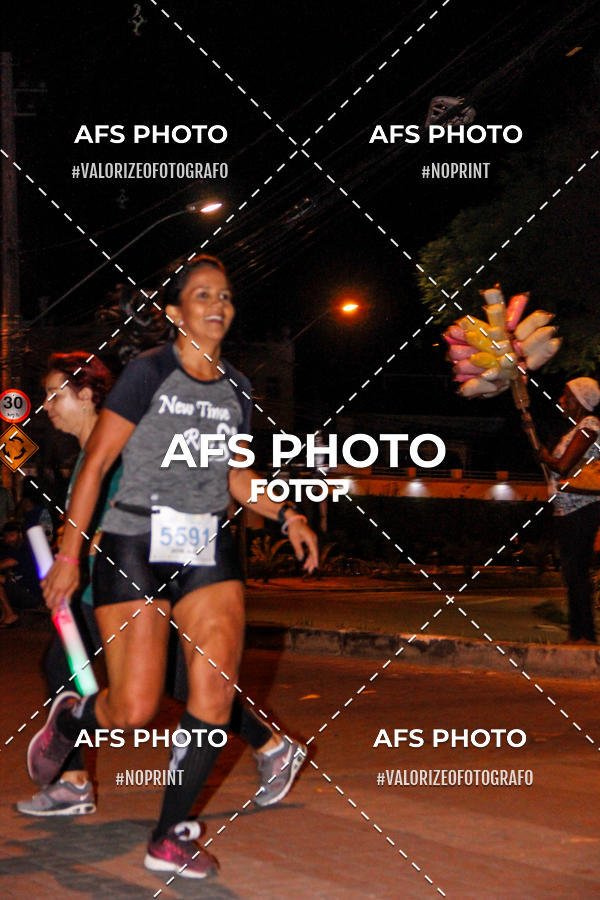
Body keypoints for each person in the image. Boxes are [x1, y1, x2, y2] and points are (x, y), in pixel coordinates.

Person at [28, 255, 319, 880]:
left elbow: (237, 476)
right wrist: (73, 555)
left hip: (205, 546)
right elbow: (100, 463)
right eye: (202, 295)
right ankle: (79, 714)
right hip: (135, 540)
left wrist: (287, 515)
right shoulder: (147, 373)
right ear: (176, 312)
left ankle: (169, 835)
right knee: (134, 707)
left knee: (212, 690)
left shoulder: (237, 387)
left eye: (226, 296)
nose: (218, 305)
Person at [538, 377, 600, 644]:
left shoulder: (590, 425)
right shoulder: (576, 428)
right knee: (572, 571)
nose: (562, 400)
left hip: (582, 508)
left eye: (567, 395)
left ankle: (583, 634)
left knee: (576, 571)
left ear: (581, 399)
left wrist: (544, 456)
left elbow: (563, 466)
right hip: (569, 510)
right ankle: (579, 633)